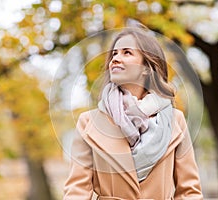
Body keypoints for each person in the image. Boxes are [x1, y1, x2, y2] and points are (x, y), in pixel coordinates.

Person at [63, 28, 203, 200]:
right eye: (114, 53)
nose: (115, 59)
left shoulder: (175, 121)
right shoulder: (88, 122)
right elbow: (77, 192)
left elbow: (189, 192)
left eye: (127, 52)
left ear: (146, 68)